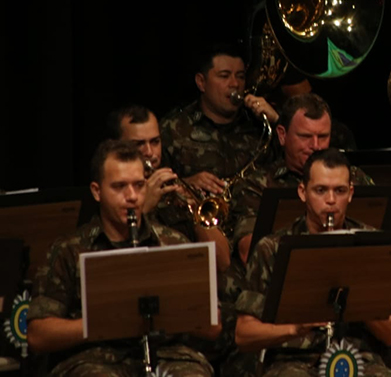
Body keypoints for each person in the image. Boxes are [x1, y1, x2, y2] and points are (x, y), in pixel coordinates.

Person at [26, 140, 219, 376]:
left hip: (167, 355)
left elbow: (213, 327)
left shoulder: (173, 242)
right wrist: (100, 323)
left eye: (139, 185)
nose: (132, 197)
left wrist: (167, 314)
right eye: (119, 187)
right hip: (95, 359)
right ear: (97, 191)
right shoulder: (70, 250)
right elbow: (38, 335)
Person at [231, 149, 391, 377]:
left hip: (358, 359)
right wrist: (294, 329)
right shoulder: (271, 248)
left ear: (351, 193)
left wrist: (352, 291)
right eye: (320, 190)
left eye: (339, 191)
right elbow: (243, 335)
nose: (331, 200)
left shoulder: (373, 245)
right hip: (293, 361)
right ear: (303, 192)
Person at [232, 93, 373, 265]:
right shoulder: (255, 185)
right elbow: (249, 252)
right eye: (305, 137)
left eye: (323, 137)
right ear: (282, 135)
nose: (315, 146)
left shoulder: (353, 176)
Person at [159, 43, 278, 241]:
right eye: (224, 76)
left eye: (240, 76)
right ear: (201, 82)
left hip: (254, 234)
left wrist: (277, 121)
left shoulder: (261, 127)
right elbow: (152, 188)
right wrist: (186, 184)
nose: (235, 84)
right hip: (197, 236)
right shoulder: (173, 129)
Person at [106, 104, 231, 271]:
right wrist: (144, 207)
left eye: (155, 142)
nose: (150, 152)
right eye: (139, 144)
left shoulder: (175, 188)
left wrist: (196, 212)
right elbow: (117, 263)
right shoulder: (113, 194)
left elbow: (223, 261)